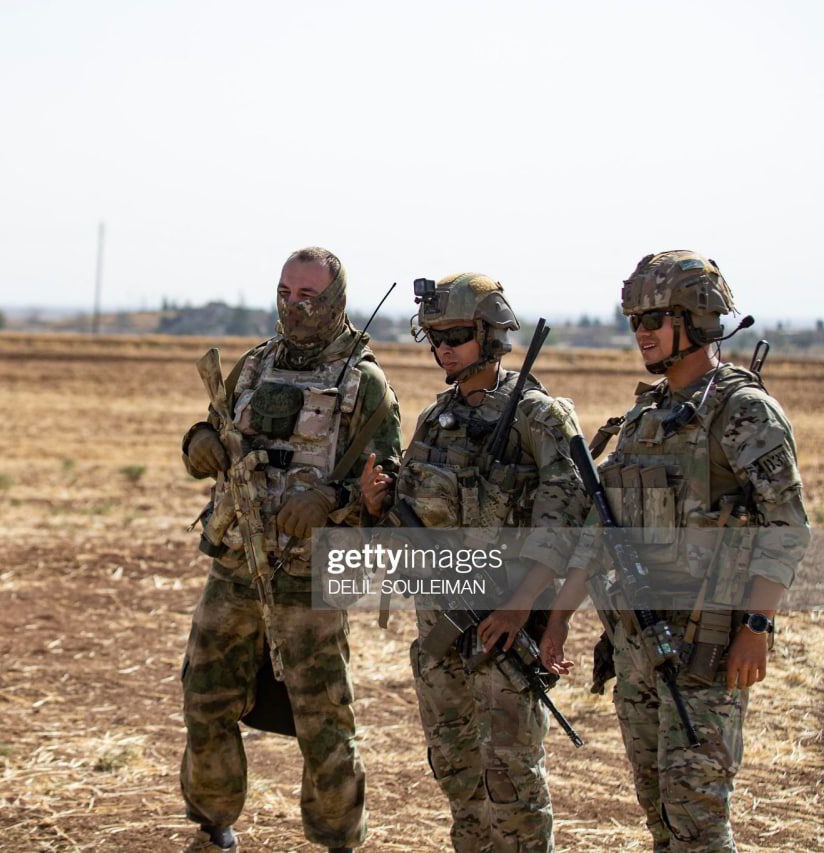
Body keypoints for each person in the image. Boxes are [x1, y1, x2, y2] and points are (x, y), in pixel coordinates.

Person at [539, 250, 809, 851]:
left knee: (698, 825)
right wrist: (558, 620)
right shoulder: (644, 417)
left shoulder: (742, 412)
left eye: (654, 319)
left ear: (697, 319)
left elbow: (786, 526)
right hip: (636, 652)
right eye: (634, 319)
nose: (641, 332)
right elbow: (599, 533)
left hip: (706, 653)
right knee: (661, 816)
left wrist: (758, 626)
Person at [179, 247, 401, 853]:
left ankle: (336, 840)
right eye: (285, 293)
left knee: (323, 721)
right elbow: (216, 425)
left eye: (308, 296)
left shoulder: (365, 382)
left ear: (336, 301)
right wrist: (199, 443)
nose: (294, 307)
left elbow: (391, 484)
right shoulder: (254, 365)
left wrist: (331, 500)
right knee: (205, 699)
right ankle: (214, 823)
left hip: (313, 577)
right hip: (237, 566)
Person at [361, 273, 587, 853]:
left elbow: (566, 521)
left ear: (490, 335)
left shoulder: (539, 417)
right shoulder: (436, 420)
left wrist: (521, 607)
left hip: (502, 631)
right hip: (439, 630)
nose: (442, 348)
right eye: (433, 336)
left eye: (456, 334)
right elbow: (407, 528)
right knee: (459, 778)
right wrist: (377, 503)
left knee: (512, 783)